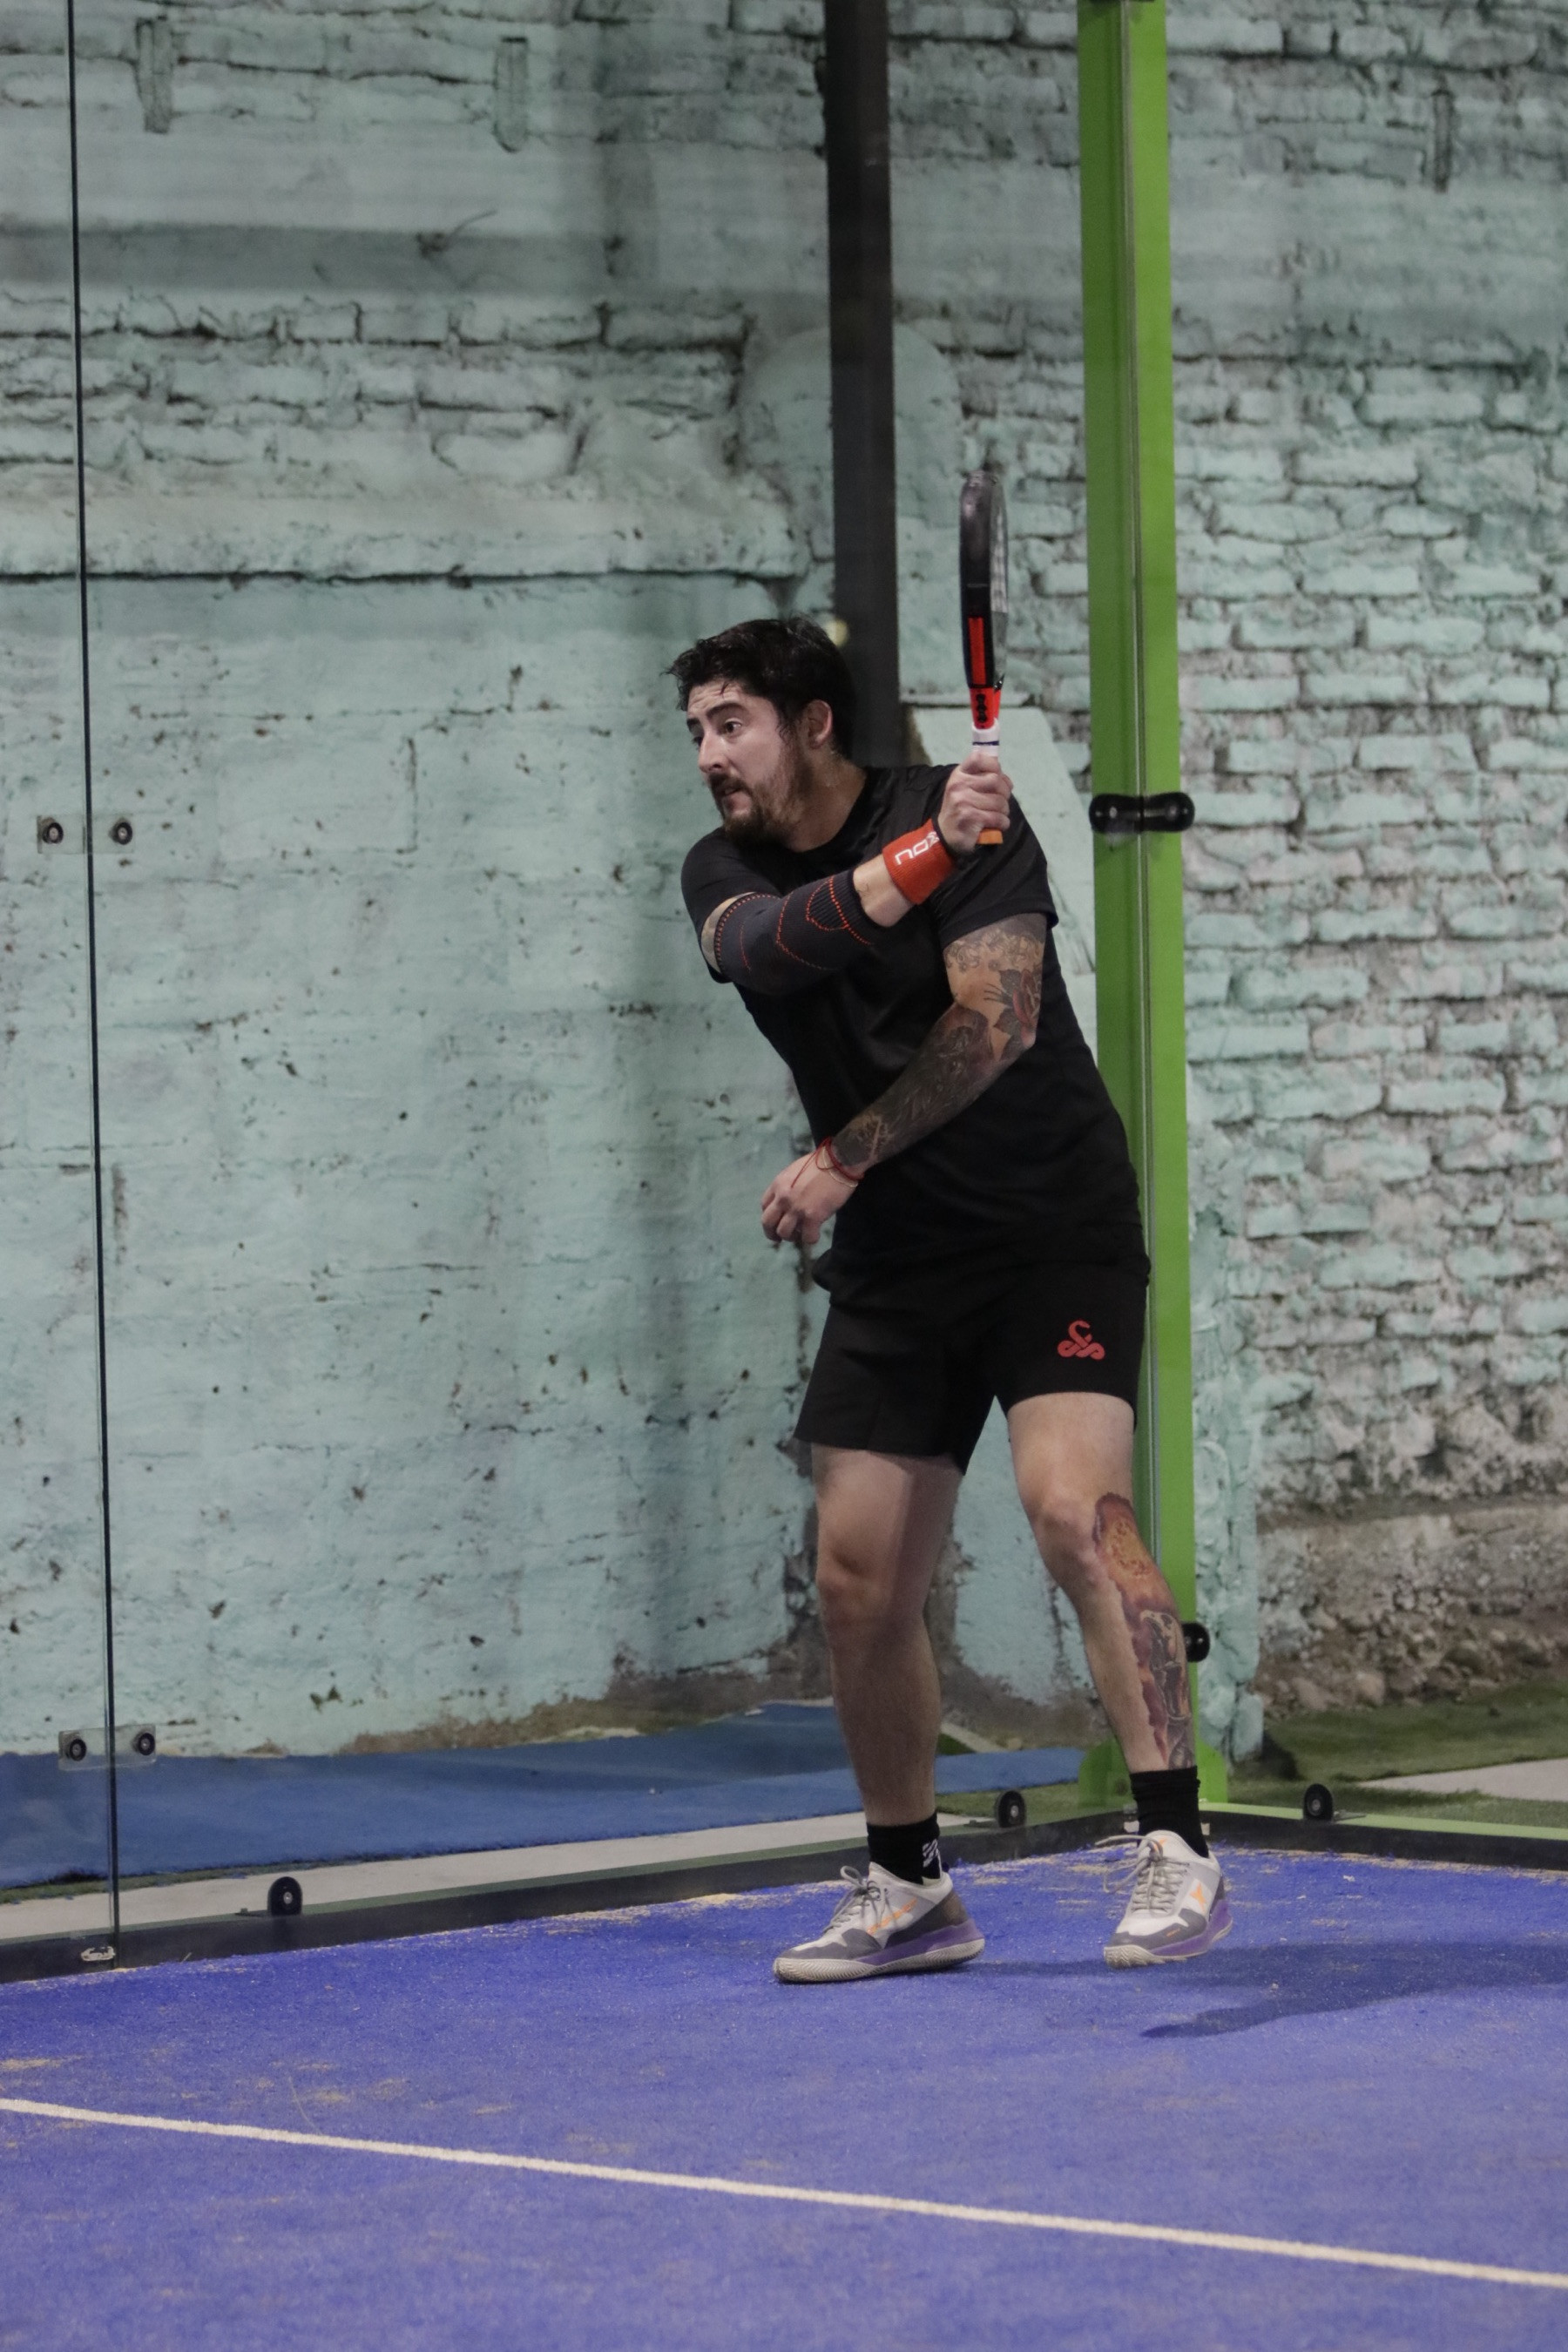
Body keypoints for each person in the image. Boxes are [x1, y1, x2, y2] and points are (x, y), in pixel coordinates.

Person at [674, 616, 1229, 1981]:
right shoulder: (725, 869)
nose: (708, 755)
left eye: (731, 724)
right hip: (901, 1260)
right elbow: (772, 950)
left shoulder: (971, 819)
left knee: (1076, 1512)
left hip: (1051, 1227)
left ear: (813, 725)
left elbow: (997, 1022)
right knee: (857, 1577)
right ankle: (911, 1886)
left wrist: (843, 1158)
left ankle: (1178, 1843)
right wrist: (927, 854)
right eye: (696, 731)